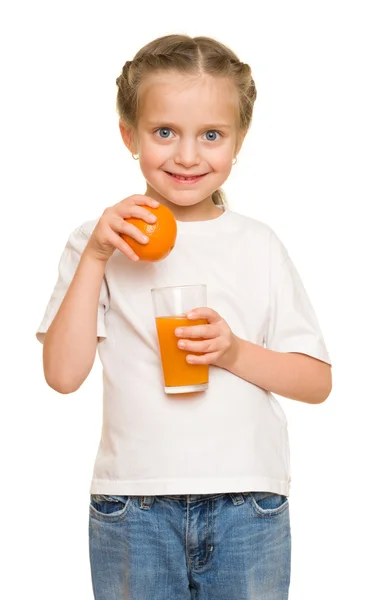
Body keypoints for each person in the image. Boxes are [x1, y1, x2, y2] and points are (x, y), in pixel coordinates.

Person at [36, 33, 332, 600]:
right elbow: (62, 375)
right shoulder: (99, 242)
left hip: (248, 502)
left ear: (239, 141)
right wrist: (97, 254)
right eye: (164, 132)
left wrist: (234, 352)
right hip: (134, 506)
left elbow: (317, 382)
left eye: (212, 135)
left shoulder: (258, 244)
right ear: (130, 134)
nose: (188, 155)